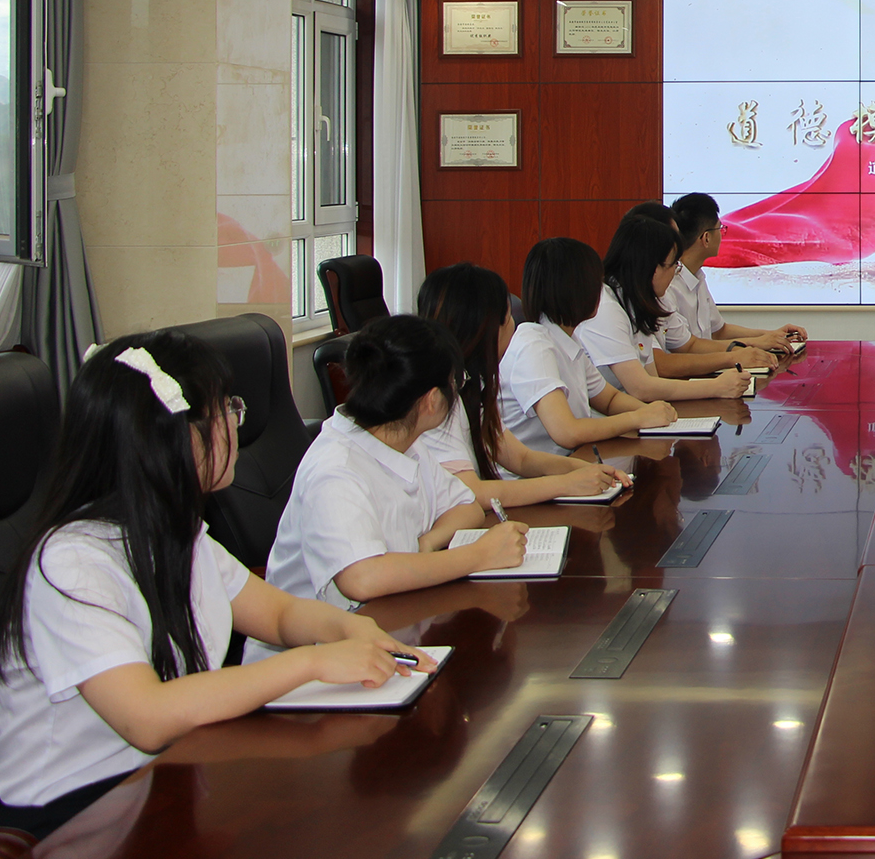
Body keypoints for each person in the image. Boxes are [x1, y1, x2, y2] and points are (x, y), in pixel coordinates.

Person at [0, 332, 435, 837]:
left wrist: (352, 632)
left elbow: (279, 614)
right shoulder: (72, 563)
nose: (237, 422)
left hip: (172, 771)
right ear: (178, 436)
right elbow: (146, 717)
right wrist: (312, 662)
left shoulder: (177, 533)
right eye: (227, 409)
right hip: (77, 813)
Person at [268, 315, 531, 609]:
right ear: (432, 400)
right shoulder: (336, 468)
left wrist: (427, 543)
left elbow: (466, 506)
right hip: (323, 633)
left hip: (392, 611)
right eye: (455, 383)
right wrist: (479, 555)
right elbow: (361, 579)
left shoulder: (405, 441)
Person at [415, 262, 634, 507]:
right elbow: (471, 492)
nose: (514, 326)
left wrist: (586, 470)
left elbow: (522, 459)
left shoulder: (470, 384)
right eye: (508, 317)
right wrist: (565, 484)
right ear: (487, 328)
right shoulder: (436, 398)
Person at [503, 237, 680, 454]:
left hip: (573, 461)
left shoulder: (567, 340)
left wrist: (655, 412)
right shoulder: (534, 346)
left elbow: (609, 400)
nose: (601, 290)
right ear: (574, 288)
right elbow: (567, 432)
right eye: (596, 281)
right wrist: (637, 418)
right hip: (542, 471)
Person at [580, 210, 762, 405]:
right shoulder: (606, 309)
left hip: (639, 412)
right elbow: (641, 388)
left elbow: (652, 380)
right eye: (674, 265)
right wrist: (717, 386)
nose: (676, 272)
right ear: (651, 268)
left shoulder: (637, 303)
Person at [625, 202, 780, 378]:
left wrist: (757, 343)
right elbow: (660, 366)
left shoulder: (691, 278)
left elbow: (693, 342)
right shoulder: (660, 288)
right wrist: (735, 356)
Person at [665, 193, 806, 355]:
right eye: (720, 229)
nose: (722, 234)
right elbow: (689, 347)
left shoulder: (697, 276)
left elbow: (719, 331)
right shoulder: (669, 286)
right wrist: (755, 344)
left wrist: (772, 335)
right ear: (706, 238)